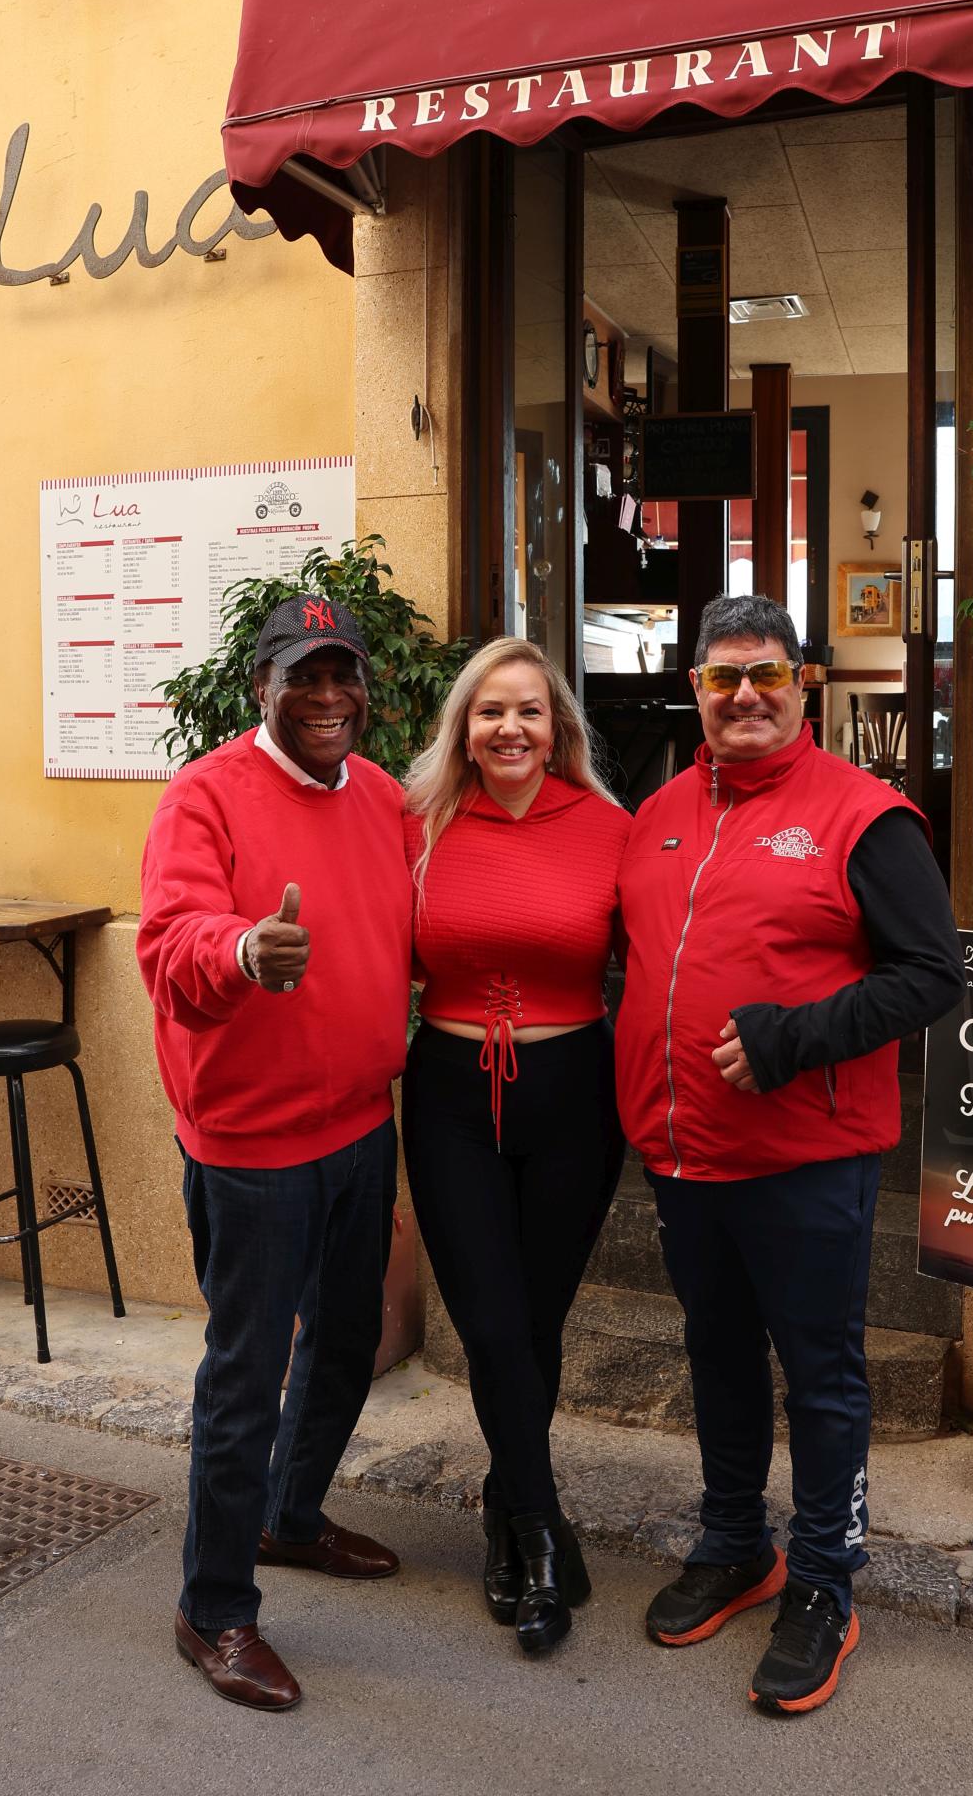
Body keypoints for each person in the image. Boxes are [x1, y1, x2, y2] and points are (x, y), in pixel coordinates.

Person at [615, 592, 963, 1716]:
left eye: (766, 673)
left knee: (819, 1374)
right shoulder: (657, 813)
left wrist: (792, 1036)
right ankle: (734, 1542)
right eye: (723, 678)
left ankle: (822, 1580)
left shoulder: (866, 816)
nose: (745, 696)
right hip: (684, 1154)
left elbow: (934, 974)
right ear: (696, 690)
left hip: (808, 1158)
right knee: (716, 1354)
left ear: (801, 682)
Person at [137, 594, 411, 1713]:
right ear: (263, 686)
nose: (328, 695)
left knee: (345, 1344)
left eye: (343, 673)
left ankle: (289, 1518)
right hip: (252, 1146)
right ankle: (213, 1607)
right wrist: (245, 949)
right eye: (304, 675)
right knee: (247, 1374)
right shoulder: (204, 796)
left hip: (361, 1125)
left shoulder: (383, 797)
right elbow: (169, 943)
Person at [401, 636, 629, 1656]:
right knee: (491, 1325)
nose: (509, 727)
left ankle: (506, 1506)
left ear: (557, 726)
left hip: (575, 1092)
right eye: (490, 710)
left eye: (528, 710)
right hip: (452, 1094)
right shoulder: (417, 826)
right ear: (464, 727)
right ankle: (538, 1532)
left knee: (536, 1322)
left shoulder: (611, 828)